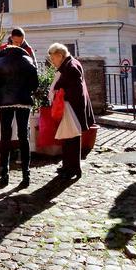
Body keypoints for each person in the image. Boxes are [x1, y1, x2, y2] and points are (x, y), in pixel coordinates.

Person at [0, 41, 39, 187]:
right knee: (24, 137)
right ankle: (26, 175)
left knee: (5, 137)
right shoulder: (28, 61)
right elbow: (35, 84)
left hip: (5, 101)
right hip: (24, 100)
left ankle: (4, 174)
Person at [47, 43, 94, 179]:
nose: (52, 62)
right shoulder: (69, 64)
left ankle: (73, 168)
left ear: (60, 56)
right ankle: (68, 166)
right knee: (68, 138)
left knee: (72, 139)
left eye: (53, 59)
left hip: (72, 107)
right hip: (71, 107)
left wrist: (60, 93)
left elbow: (75, 90)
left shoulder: (71, 67)